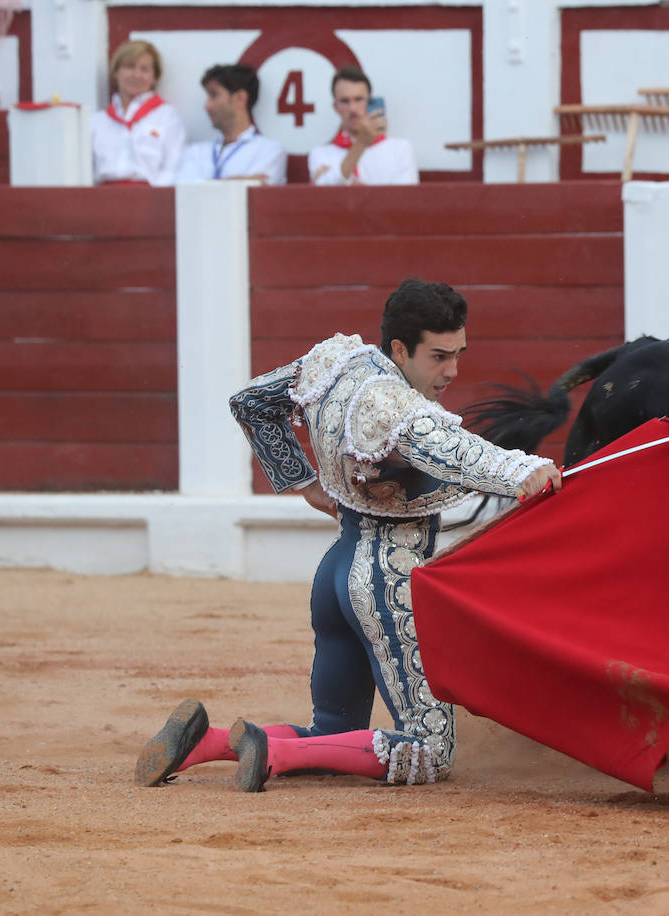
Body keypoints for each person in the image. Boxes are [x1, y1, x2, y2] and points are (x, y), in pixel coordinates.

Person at [134, 279, 561, 791]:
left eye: (459, 354)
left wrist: (306, 483)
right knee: (428, 752)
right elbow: (461, 453)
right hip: (385, 581)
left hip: (337, 571)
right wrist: (527, 471)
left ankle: (208, 742)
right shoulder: (395, 406)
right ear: (400, 349)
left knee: (334, 730)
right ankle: (271, 754)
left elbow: (250, 402)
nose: (452, 371)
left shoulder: (338, 363)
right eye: (439, 356)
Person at [91, 39, 185, 186]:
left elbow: (173, 167)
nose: (136, 75)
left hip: (150, 199)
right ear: (116, 72)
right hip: (102, 199)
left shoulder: (167, 117)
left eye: (144, 69)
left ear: (154, 78)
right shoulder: (97, 121)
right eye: (129, 67)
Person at [175, 63, 286, 185]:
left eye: (214, 95)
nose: (207, 106)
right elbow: (181, 190)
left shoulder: (269, 150)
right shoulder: (196, 152)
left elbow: (259, 191)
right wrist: (241, 182)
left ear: (240, 98)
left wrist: (202, 184)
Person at [308, 66, 418, 186]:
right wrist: (361, 144)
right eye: (345, 101)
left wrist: (353, 188)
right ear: (335, 107)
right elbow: (322, 193)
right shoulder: (320, 153)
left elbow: (405, 200)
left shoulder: (401, 149)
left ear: (371, 102)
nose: (353, 109)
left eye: (359, 99)